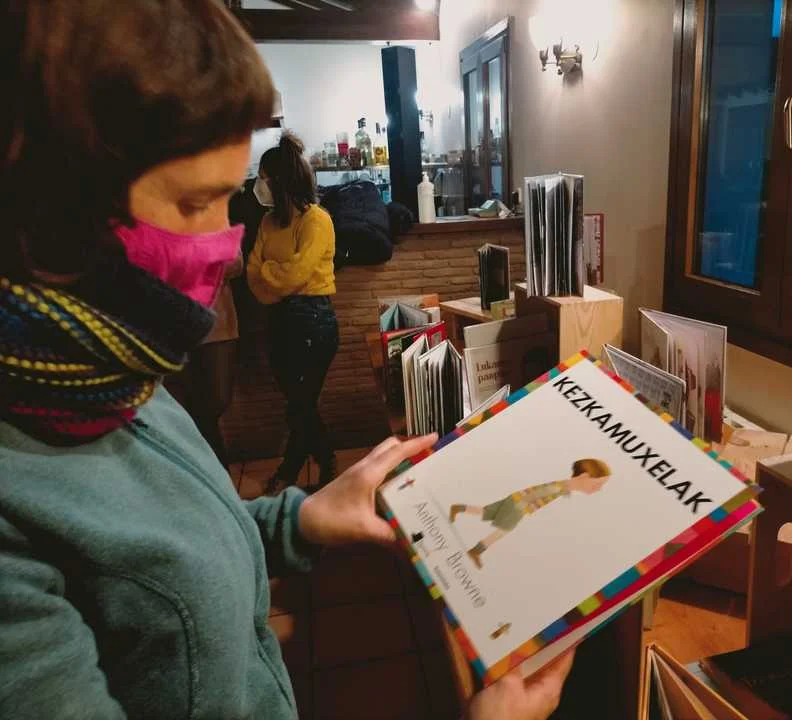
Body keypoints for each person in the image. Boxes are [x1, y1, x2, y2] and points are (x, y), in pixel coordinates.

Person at [0, 2, 573, 719]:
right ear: (47, 209)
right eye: (196, 203)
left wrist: (293, 523)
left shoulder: (115, 378)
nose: (223, 242)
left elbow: (180, 554)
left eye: (231, 199)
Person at [247, 133, 338, 493]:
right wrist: (274, 279)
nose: (258, 185)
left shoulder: (316, 220)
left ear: (279, 181)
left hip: (313, 321)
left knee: (299, 404)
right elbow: (253, 276)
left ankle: (294, 467)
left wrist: (270, 273)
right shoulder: (268, 222)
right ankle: (322, 459)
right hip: (278, 319)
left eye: (263, 178)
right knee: (299, 403)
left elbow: (293, 275)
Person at [450, 458, 612, 568]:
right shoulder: (560, 487)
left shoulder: (564, 487)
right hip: (519, 505)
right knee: (503, 530)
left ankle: (459, 508)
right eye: (598, 484)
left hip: (516, 499)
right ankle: (476, 551)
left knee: (487, 512)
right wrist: (520, 509)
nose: (598, 489)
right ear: (584, 476)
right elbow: (536, 495)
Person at [165, 254, 243, 467]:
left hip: (217, 325)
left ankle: (211, 473)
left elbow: (235, 263)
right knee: (186, 407)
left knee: (216, 401)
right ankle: (215, 474)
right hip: (175, 329)